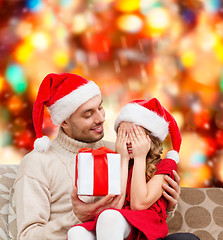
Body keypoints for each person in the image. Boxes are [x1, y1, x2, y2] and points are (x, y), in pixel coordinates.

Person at [14, 73, 198, 240]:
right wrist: (76, 218)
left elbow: (140, 209)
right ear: (64, 122)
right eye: (88, 114)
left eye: (100, 108)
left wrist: (167, 203)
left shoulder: (120, 149)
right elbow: (27, 236)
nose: (101, 118)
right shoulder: (38, 163)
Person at [66, 98, 181, 239]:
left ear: (150, 138)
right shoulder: (117, 163)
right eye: (123, 134)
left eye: (134, 135)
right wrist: (123, 159)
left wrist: (140, 157)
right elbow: (116, 205)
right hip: (117, 223)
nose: (127, 141)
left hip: (144, 227)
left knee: (109, 217)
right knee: (76, 232)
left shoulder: (165, 166)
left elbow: (138, 204)